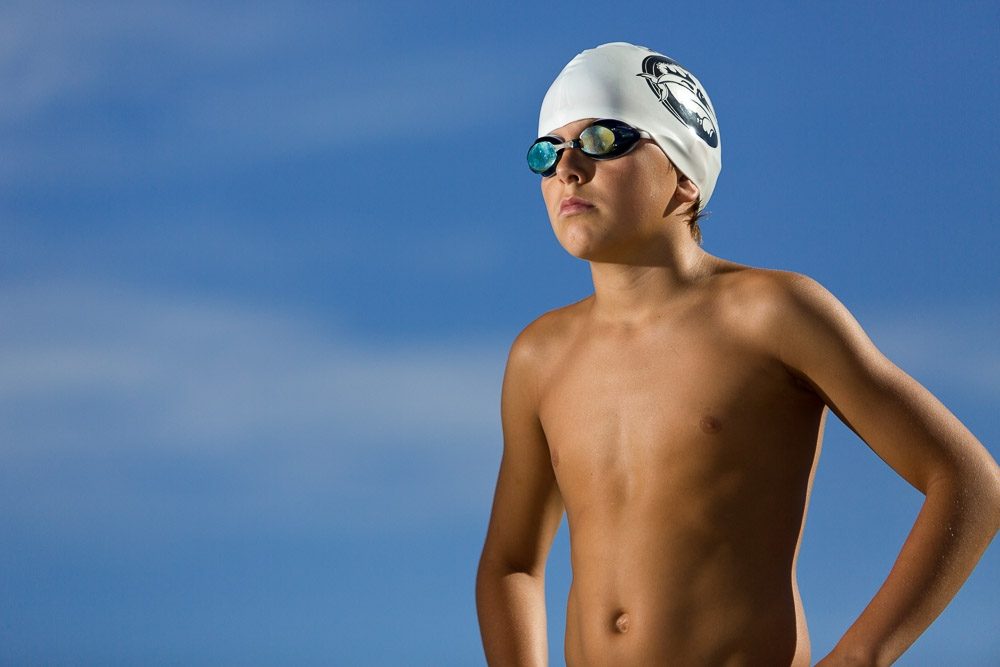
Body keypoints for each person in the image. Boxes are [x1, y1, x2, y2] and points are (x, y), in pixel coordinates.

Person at [475, 42, 1000, 666]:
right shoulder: (540, 356)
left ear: (685, 175)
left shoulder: (770, 314)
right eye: (548, 151)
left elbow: (969, 481)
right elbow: (511, 563)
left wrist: (859, 657)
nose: (567, 168)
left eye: (601, 141)